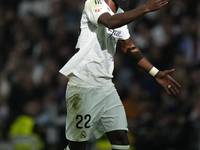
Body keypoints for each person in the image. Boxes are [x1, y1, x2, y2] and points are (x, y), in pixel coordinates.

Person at [59, 0, 181, 150]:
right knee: (78, 146)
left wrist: (155, 73)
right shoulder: (94, 3)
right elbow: (110, 22)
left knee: (121, 138)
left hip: (106, 86)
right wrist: (146, 8)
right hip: (83, 84)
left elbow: (128, 47)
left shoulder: (121, 15)